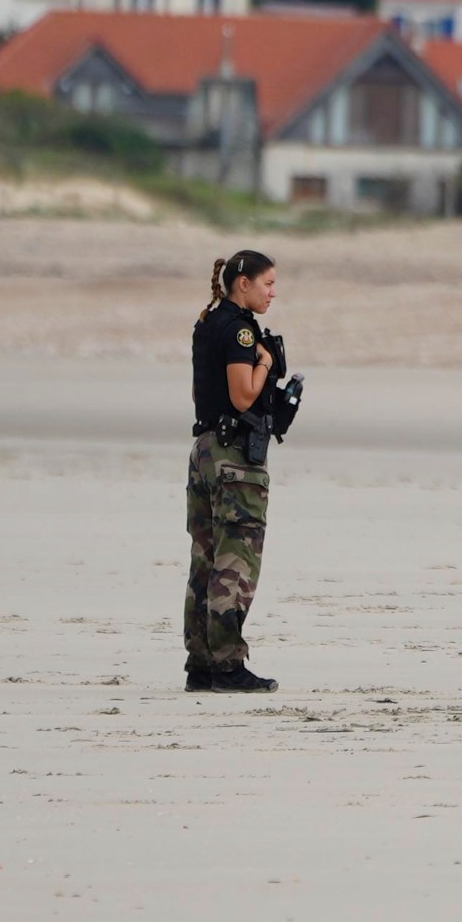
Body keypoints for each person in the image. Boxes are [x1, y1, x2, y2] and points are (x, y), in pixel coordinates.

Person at [185, 250, 288, 693]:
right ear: (242, 283)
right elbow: (244, 397)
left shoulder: (208, 323)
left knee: (205, 559)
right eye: (267, 283)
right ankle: (227, 665)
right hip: (234, 458)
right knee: (236, 560)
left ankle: (201, 663)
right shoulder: (241, 331)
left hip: (205, 449)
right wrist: (265, 362)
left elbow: (198, 392)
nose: (273, 292)